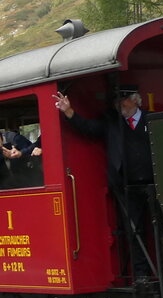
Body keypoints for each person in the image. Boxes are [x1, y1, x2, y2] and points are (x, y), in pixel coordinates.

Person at [54, 85, 154, 280]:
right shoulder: (112, 123)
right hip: (127, 186)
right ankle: (142, 275)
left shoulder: (152, 120)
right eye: (116, 100)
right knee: (134, 232)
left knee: (160, 230)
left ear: (135, 100)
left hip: (155, 184)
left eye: (123, 99)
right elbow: (88, 128)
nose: (119, 103)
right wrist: (68, 111)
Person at [0, 124, 41, 189]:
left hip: (29, 184)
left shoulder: (14, 138)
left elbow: (33, 149)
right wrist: (0, 156)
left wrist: (20, 153)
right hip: (5, 189)